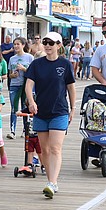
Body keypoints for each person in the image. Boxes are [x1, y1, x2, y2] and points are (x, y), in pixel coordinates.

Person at [24, 32, 76, 198]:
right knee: (44, 150)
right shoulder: (37, 64)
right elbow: (28, 85)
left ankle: (52, 182)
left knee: (55, 147)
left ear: (59, 45)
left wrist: (73, 108)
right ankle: (50, 181)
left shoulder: (65, 64)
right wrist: (31, 101)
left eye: (51, 43)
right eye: (45, 42)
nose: (47, 45)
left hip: (59, 110)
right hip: (41, 112)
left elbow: (71, 87)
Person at [7, 37, 33, 139]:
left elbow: (33, 73)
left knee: (24, 107)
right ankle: (12, 131)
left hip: (26, 86)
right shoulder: (12, 59)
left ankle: (25, 130)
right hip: (14, 85)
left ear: (23, 45)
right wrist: (12, 75)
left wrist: (23, 69)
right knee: (14, 107)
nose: (16, 46)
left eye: (18, 44)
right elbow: (9, 74)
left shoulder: (29, 57)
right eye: (15, 44)